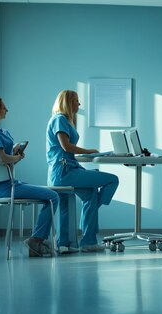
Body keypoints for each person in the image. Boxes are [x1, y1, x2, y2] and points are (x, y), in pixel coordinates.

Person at [0, 96, 60, 258]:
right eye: (4, 107)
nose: (7, 110)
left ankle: (38, 239)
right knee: (53, 196)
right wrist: (17, 157)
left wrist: (13, 154)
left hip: (0, 186)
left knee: (47, 196)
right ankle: (36, 240)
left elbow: (1, 162)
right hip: (2, 188)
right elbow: (1, 159)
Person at [46, 90, 119, 253]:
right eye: (76, 101)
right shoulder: (60, 119)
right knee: (112, 179)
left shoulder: (62, 120)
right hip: (65, 173)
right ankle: (87, 237)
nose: (79, 104)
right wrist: (89, 151)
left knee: (89, 196)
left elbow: (65, 149)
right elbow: (66, 146)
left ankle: (66, 244)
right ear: (68, 102)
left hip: (60, 173)